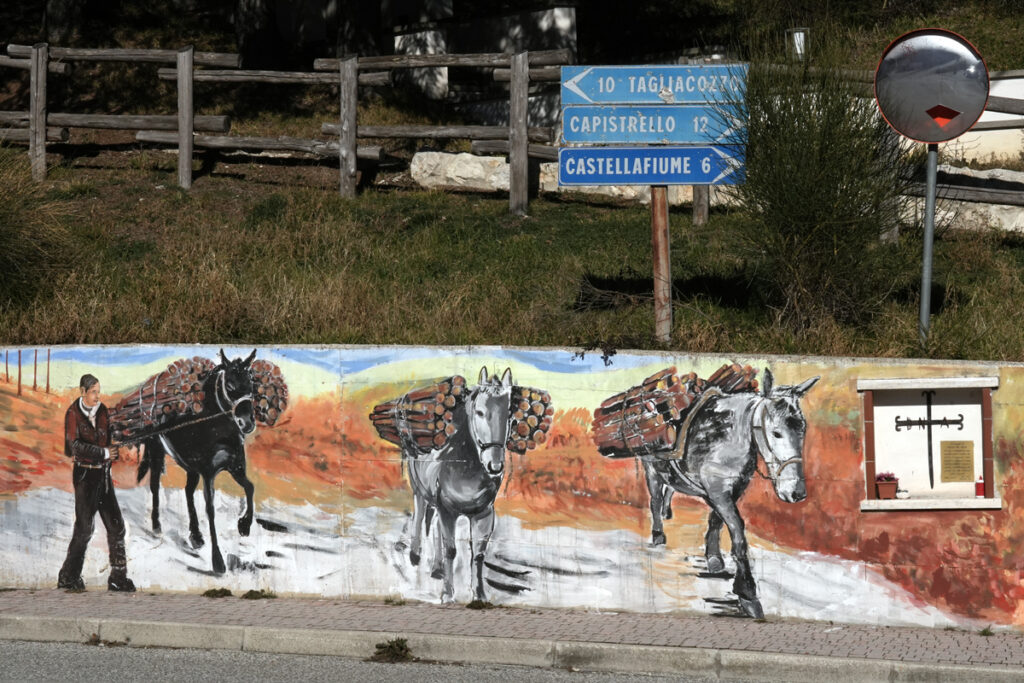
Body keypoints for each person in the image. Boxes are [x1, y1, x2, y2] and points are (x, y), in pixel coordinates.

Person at [57, 374, 135, 592]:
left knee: (116, 525)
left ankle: (118, 578)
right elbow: (73, 446)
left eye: (98, 391)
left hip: (103, 476)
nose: (96, 396)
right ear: (82, 391)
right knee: (84, 529)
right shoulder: (73, 413)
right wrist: (103, 452)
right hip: (84, 476)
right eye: (93, 392)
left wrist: (116, 442)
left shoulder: (102, 411)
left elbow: (109, 436)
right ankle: (68, 577)